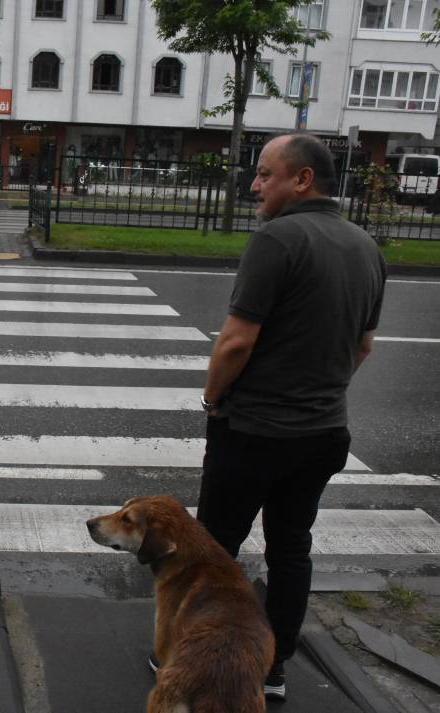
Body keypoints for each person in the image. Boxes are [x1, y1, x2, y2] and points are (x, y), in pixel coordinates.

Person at [196, 133, 386, 702]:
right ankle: (273, 670)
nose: (254, 186)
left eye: (264, 174)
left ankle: (199, 660)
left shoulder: (277, 240)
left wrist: (211, 400)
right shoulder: (366, 246)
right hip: (325, 433)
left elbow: (235, 342)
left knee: (213, 552)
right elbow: (363, 347)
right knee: (290, 549)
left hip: (254, 430)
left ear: (301, 179)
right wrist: (321, 392)